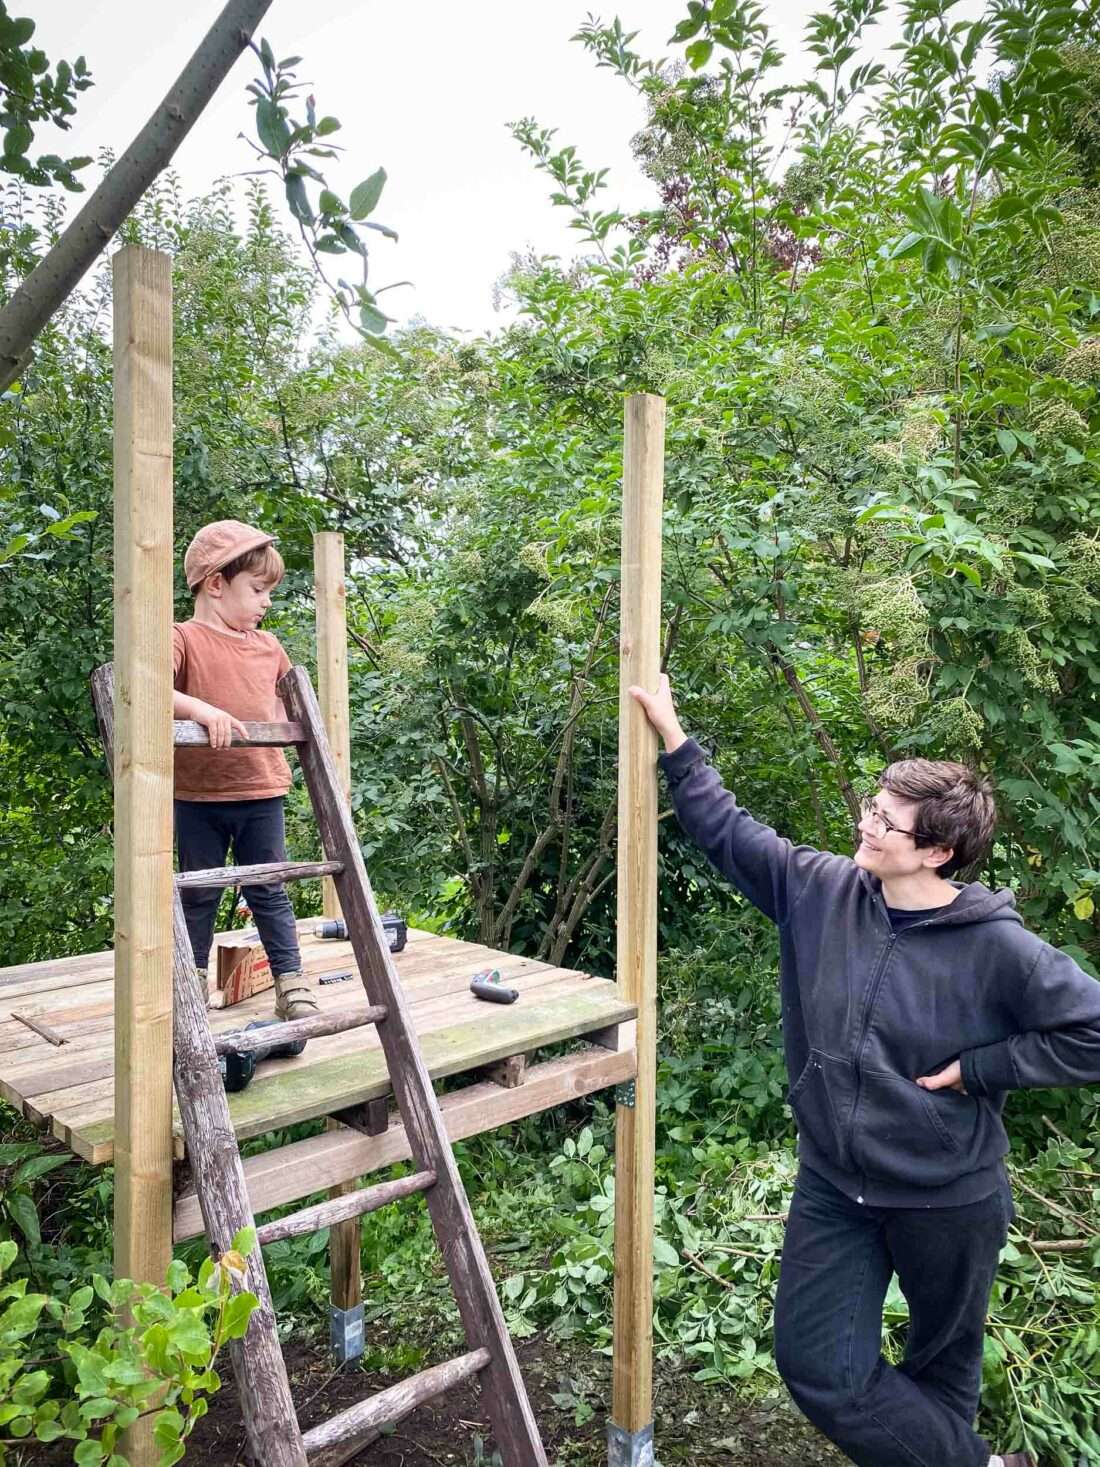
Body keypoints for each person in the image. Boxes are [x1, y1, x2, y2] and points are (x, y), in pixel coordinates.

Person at [630, 673, 1100, 1467]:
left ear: (938, 851)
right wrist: (676, 739)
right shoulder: (821, 890)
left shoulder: (997, 947)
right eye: (872, 806)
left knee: (942, 1374)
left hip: (948, 1194)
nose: (866, 822)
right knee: (817, 1365)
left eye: (886, 820)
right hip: (835, 1186)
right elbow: (729, 832)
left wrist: (988, 1066)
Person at [173, 519, 318, 1022]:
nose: (267, 602)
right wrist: (200, 710)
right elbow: (145, 684)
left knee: (269, 889)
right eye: (257, 590)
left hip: (260, 789)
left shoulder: (268, 645)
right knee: (199, 892)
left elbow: (286, 707)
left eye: (269, 592)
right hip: (198, 795)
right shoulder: (183, 639)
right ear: (216, 584)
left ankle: (291, 984)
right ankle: (188, 990)